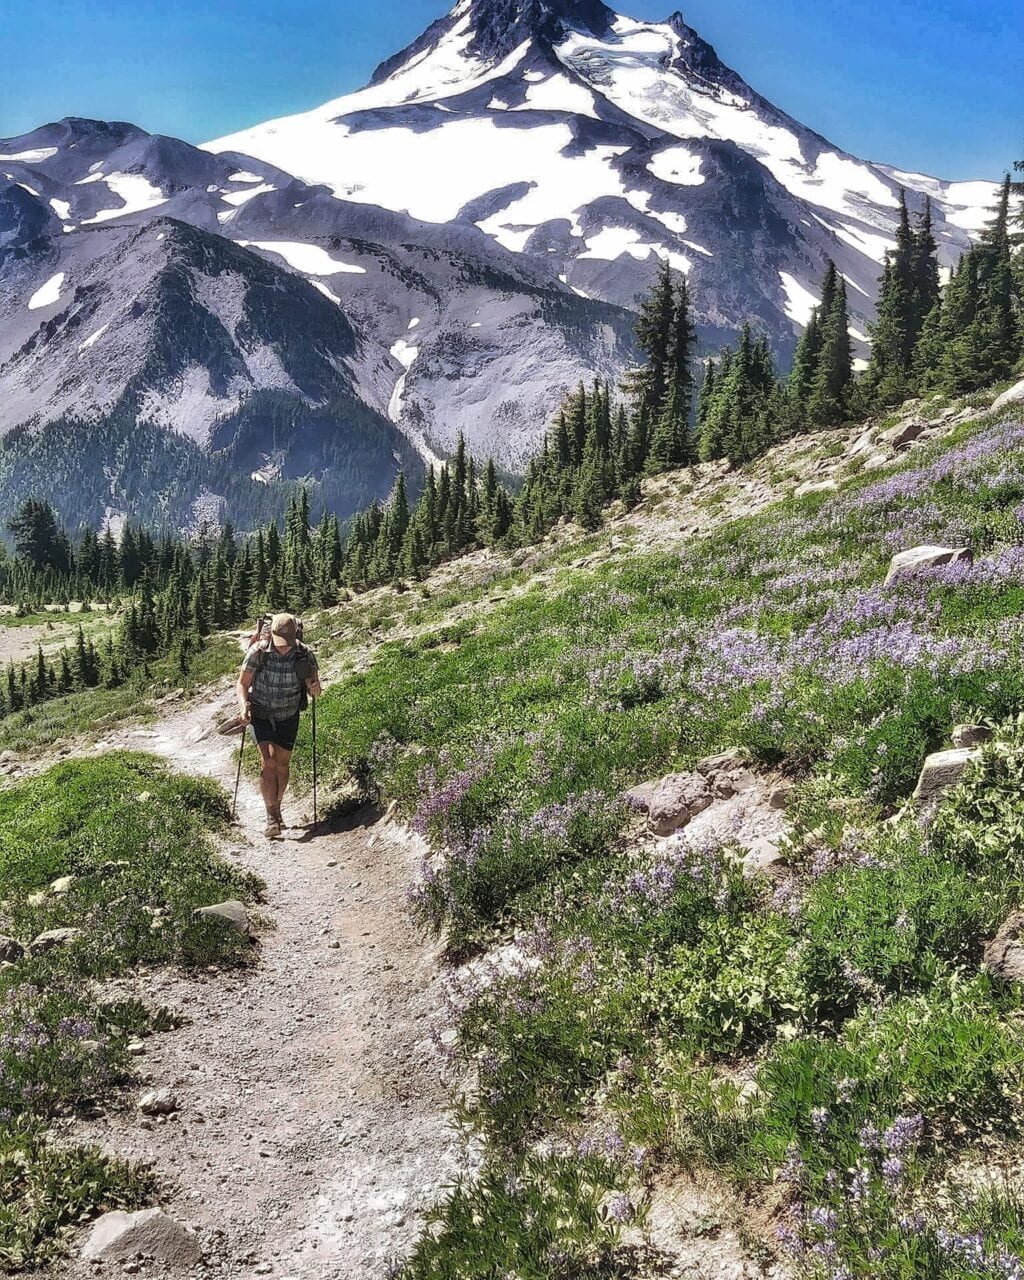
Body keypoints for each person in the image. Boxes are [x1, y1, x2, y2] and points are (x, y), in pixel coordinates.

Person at [236, 613, 322, 837]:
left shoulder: (304, 654)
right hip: (261, 713)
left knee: (283, 765)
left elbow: (316, 687)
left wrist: (315, 689)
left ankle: (278, 805)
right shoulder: (259, 652)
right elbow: (243, 683)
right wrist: (244, 705)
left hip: (288, 714)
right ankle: (271, 816)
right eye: (280, 643)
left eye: (288, 643)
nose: (284, 648)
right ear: (272, 635)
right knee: (268, 762)